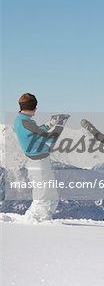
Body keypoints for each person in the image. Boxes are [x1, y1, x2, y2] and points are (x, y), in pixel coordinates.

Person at [13, 93, 68, 222]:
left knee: (49, 193)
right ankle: (37, 221)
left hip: (37, 160)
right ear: (34, 109)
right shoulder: (26, 123)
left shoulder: (21, 120)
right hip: (38, 162)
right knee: (43, 194)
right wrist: (60, 125)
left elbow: (37, 130)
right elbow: (50, 138)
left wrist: (50, 124)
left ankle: (44, 218)